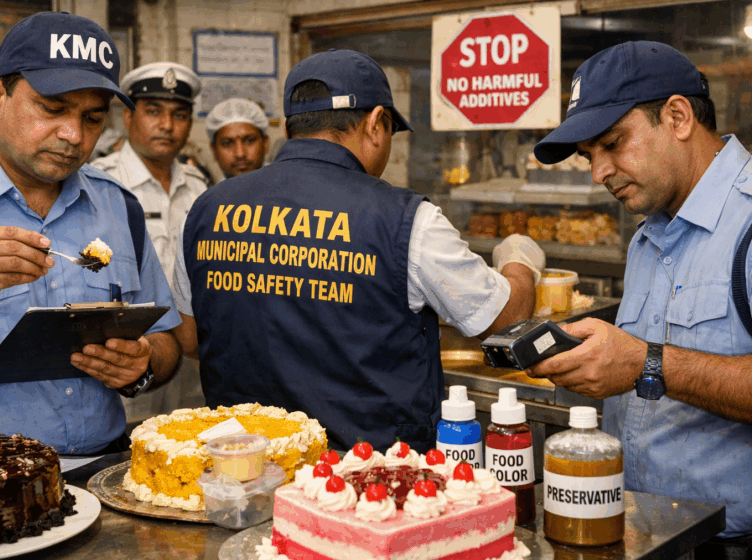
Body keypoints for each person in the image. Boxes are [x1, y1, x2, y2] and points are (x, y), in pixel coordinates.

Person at [171, 49, 545, 453]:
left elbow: (190, 339)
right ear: (376, 124)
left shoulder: (204, 209)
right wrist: (519, 259)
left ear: (291, 126)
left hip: (242, 467)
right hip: (365, 474)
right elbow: (504, 318)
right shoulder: (407, 220)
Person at [0, 12, 182, 455]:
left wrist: (143, 362)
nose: (73, 135)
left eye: (93, 118)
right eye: (52, 109)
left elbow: (168, 342)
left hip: (101, 467)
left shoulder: (117, 206)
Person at [531, 41, 752, 555]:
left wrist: (645, 364)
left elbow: (648, 363)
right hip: (644, 536)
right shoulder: (649, 234)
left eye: (613, 144)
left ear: (678, 117)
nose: (598, 173)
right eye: (589, 156)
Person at [91, 62, 208, 283]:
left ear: (190, 123)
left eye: (179, 115)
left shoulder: (197, 186)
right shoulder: (101, 184)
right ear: (128, 117)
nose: (167, 125)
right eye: (154, 112)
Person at [206, 97, 270, 180]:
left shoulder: (285, 185)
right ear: (214, 150)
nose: (240, 154)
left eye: (249, 141)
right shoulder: (202, 188)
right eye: (227, 143)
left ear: (265, 144)